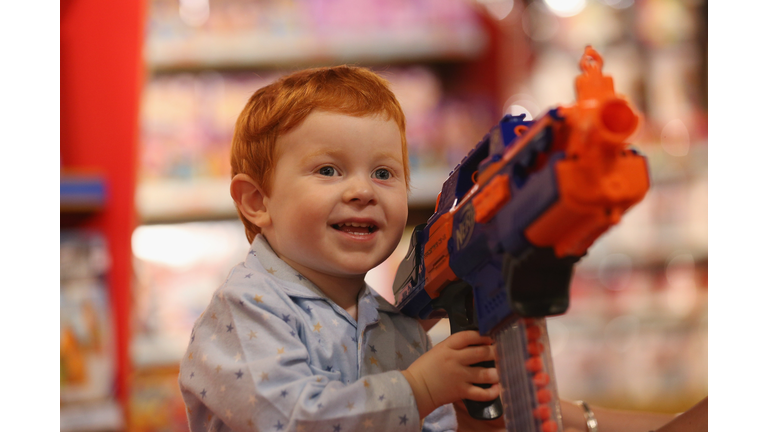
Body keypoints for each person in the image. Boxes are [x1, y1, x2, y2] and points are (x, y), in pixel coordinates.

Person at [178, 65, 500, 432]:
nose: (363, 191)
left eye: (383, 173)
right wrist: (420, 388)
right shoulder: (246, 310)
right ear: (258, 201)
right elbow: (292, 421)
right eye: (329, 170)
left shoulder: (397, 329)